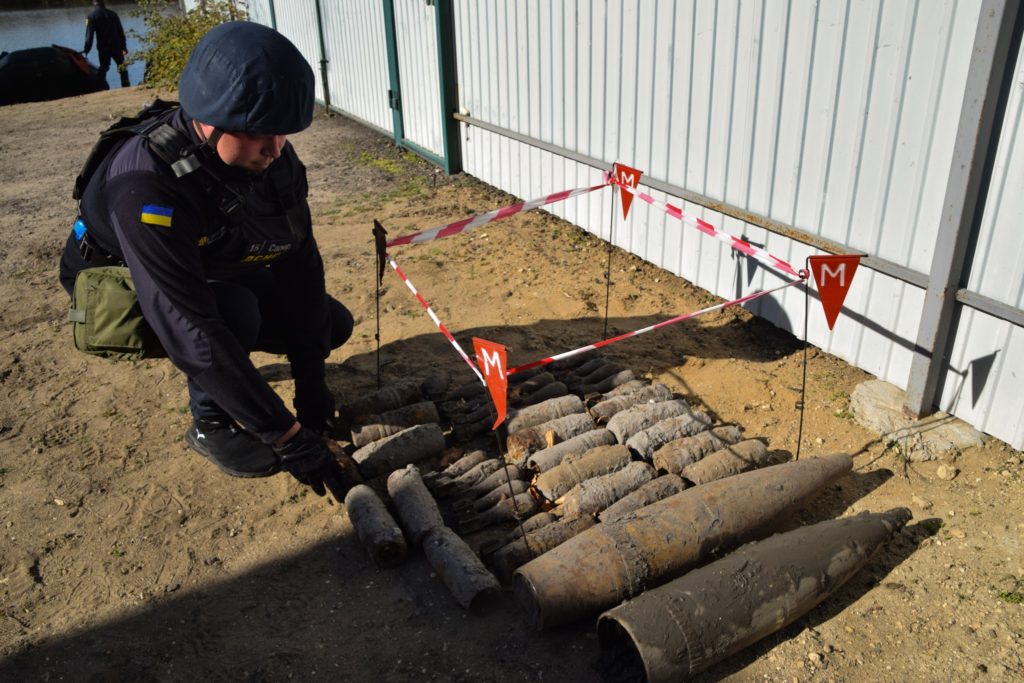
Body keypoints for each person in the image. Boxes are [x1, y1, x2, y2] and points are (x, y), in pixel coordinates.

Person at [59, 21, 358, 501]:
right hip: (115, 283)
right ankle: (209, 424)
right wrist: (286, 436)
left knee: (330, 323)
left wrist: (311, 384)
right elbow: (187, 323)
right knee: (232, 312)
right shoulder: (146, 184)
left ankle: (238, 381)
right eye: (259, 133)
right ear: (210, 118)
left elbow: (300, 265)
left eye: (282, 131)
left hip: (206, 258)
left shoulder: (274, 159)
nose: (275, 148)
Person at [82, 0, 130, 88]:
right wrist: (124, 47)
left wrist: (86, 50)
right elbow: (120, 32)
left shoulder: (91, 16)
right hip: (117, 46)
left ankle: (102, 87)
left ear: (93, 2)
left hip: (104, 48)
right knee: (122, 67)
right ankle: (126, 86)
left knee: (104, 67)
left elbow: (89, 36)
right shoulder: (113, 14)